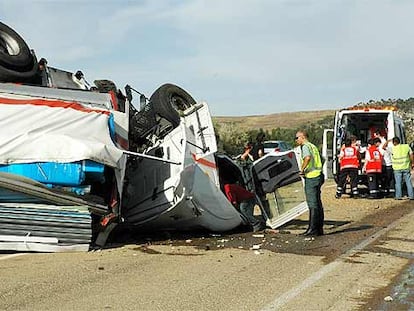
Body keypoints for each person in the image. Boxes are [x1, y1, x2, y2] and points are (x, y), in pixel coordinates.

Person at [295, 130, 324, 236]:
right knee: (318, 202)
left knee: (312, 203)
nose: (296, 140)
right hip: (318, 175)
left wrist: (302, 170)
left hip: (311, 176)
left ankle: (312, 229)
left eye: (297, 138)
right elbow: (322, 159)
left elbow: (307, 158)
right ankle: (319, 228)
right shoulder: (313, 146)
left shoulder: (305, 147)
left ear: (302, 137)